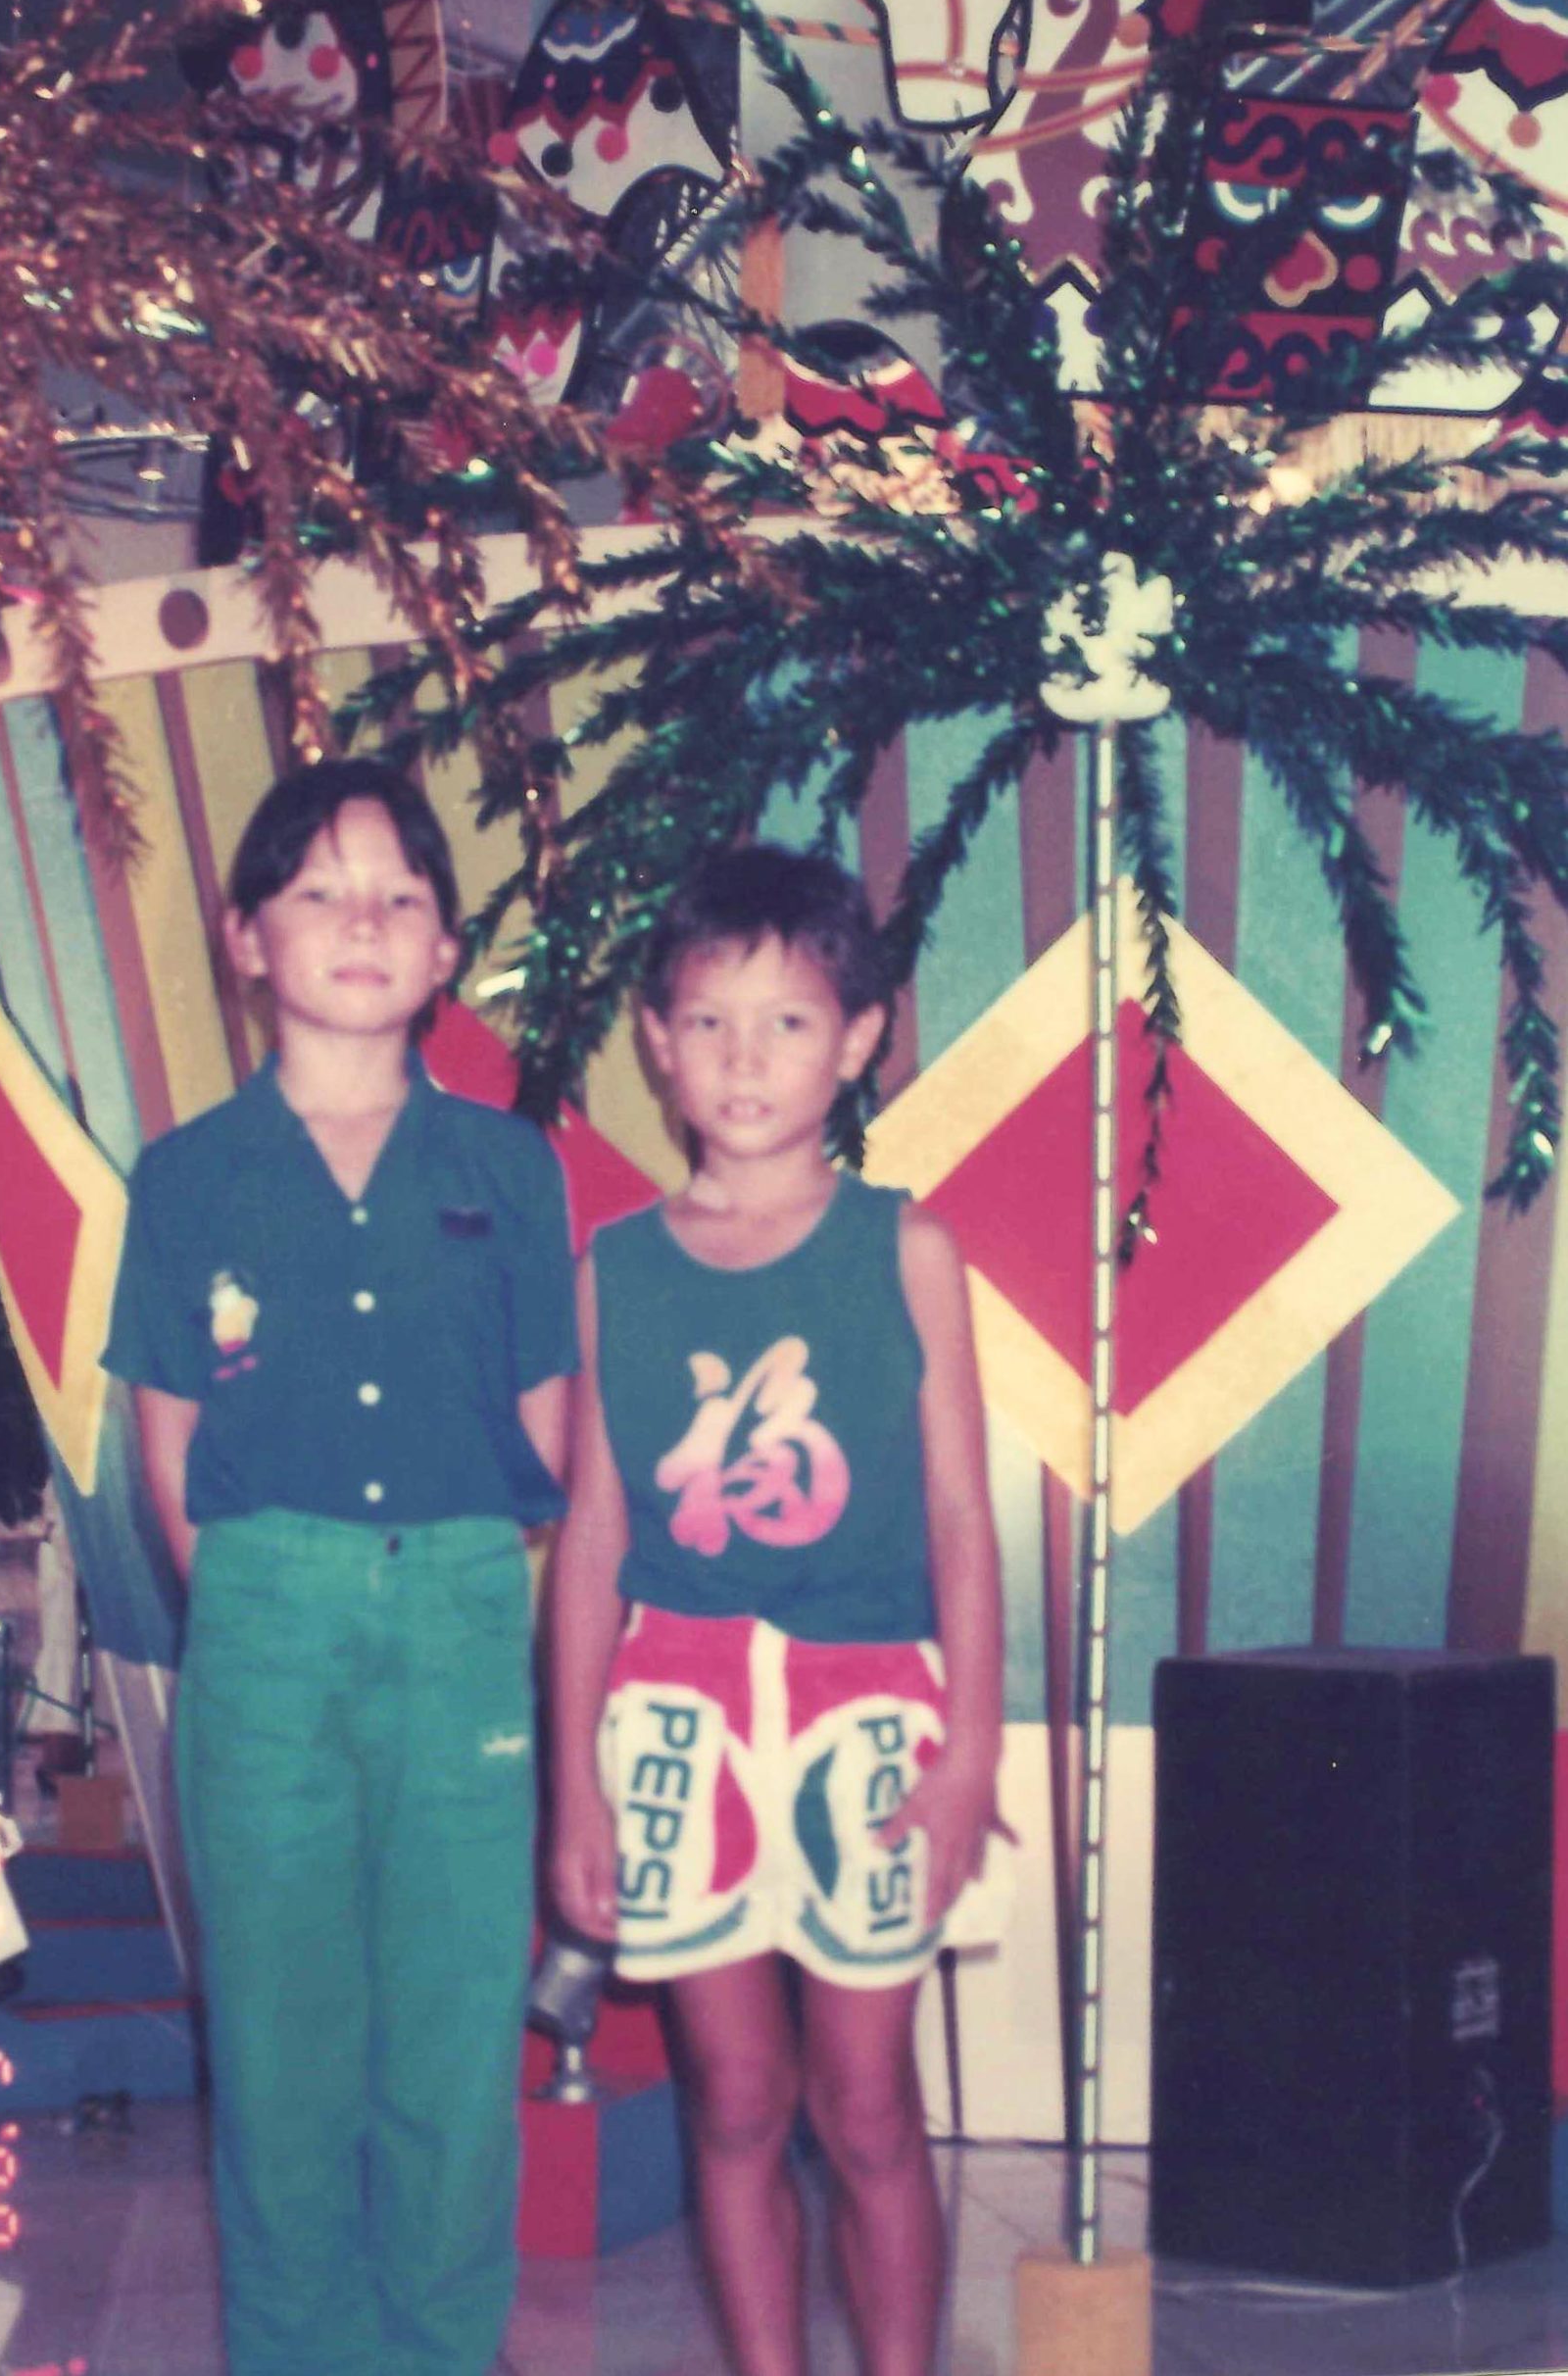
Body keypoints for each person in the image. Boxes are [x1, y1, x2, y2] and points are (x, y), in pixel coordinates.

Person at [103, 757, 575, 2376]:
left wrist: (453, 1575)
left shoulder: (507, 1167)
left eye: (398, 896)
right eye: (318, 892)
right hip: (265, 1625)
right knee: (281, 2049)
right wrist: (265, 1599)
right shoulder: (188, 1177)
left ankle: (438, 2353)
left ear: (445, 950)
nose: (360, 921)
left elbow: (547, 1420)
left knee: (453, 2037)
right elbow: (169, 1444)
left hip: (460, 1609)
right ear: (248, 939)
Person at [548, 844, 1004, 2376]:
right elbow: (594, 1536)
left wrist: (969, 1753)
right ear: (657, 1043)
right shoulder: (614, 1267)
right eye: (709, 1022)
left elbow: (959, 1520)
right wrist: (576, 1790)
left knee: (865, 2107)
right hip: (671, 1714)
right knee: (733, 2100)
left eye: (787, 1022)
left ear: (859, 1038)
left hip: (867, 1708)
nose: (744, 1060)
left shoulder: (908, 1249)